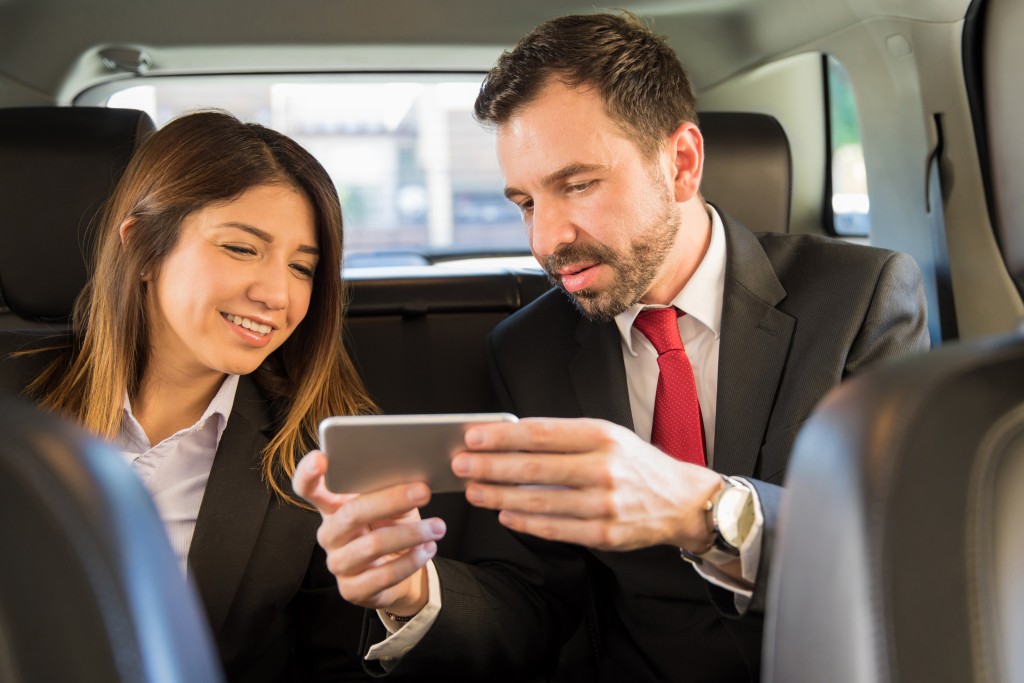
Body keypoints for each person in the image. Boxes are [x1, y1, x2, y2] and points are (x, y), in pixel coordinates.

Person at [293, 12, 930, 682]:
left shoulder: (861, 298)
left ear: (681, 163)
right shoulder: (527, 350)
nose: (545, 240)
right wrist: (416, 592)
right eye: (525, 202)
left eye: (577, 184)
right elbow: (534, 599)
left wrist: (703, 509)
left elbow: (906, 552)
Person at [25, 110, 376, 682]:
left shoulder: (320, 457)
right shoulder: (14, 397)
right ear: (142, 247)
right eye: (241, 249)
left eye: (302, 268)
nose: (276, 294)